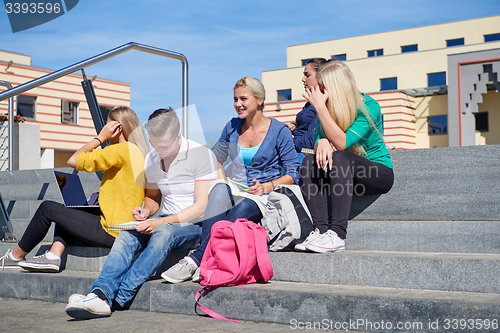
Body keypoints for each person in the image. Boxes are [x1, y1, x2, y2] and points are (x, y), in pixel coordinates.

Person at [65, 108, 217, 319]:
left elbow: (202, 207)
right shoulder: (153, 158)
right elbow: (154, 198)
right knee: (128, 234)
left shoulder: (201, 155)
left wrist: (160, 223)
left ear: (178, 136)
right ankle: (99, 294)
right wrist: (146, 211)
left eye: (164, 145)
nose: (158, 151)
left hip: (193, 225)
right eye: (154, 145)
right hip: (164, 219)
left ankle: (119, 298)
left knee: (164, 233)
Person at [161, 77, 299, 284]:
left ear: (259, 100)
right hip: (237, 187)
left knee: (241, 208)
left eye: (243, 98)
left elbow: (293, 174)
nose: (238, 104)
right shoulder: (232, 126)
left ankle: (197, 259)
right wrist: (223, 180)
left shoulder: (279, 131)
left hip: (263, 195)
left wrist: (266, 186)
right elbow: (214, 159)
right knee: (218, 189)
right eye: (235, 99)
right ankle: (207, 259)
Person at [0, 106, 148, 272]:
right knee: (71, 210)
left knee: (46, 208)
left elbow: (74, 160)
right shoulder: (138, 152)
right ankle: (54, 255)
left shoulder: (120, 149)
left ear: (117, 128)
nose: (104, 129)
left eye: (107, 126)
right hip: (123, 229)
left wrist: (100, 138)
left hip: (112, 231)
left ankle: (15, 256)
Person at [297, 60, 394, 253]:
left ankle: (338, 234)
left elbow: (342, 143)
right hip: (344, 175)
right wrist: (321, 141)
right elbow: (320, 140)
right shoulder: (330, 107)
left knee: (340, 157)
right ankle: (321, 231)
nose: (319, 89)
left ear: (335, 85)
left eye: (323, 85)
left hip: (377, 172)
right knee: (309, 161)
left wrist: (320, 109)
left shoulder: (369, 106)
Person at [288, 58, 327, 166]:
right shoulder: (310, 103)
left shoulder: (324, 103)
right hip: (296, 148)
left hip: (303, 154)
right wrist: (294, 125)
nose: (303, 79)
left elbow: (311, 140)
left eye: (307, 75)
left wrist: (284, 142)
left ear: (321, 76)